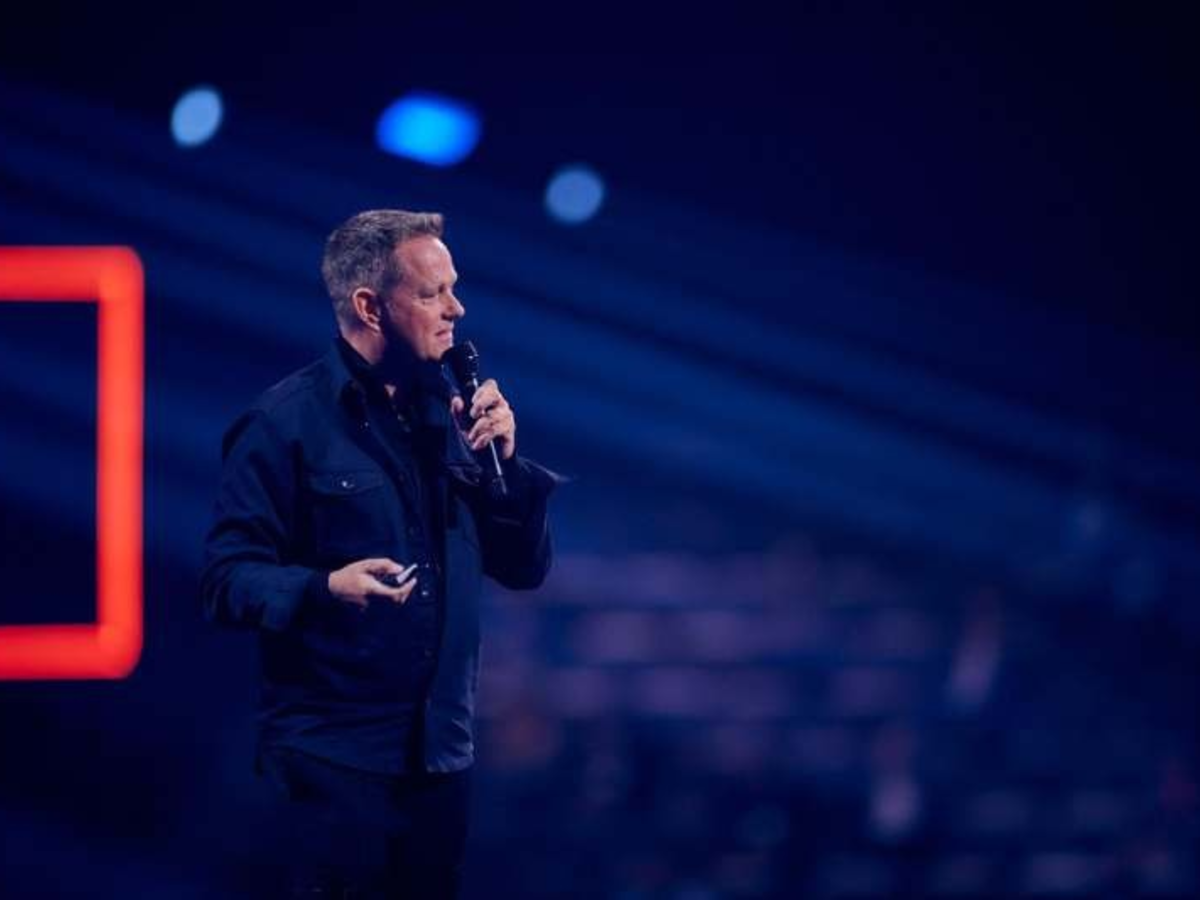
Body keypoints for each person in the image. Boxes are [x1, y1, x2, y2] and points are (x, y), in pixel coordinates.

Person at [200, 209, 560, 898]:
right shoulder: (284, 423)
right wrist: (324, 587)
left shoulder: (454, 416)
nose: (456, 309)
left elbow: (524, 569)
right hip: (329, 763)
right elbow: (226, 580)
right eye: (432, 293)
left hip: (440, 764)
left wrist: (507, 468)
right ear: (370, 306)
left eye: (454, 288)